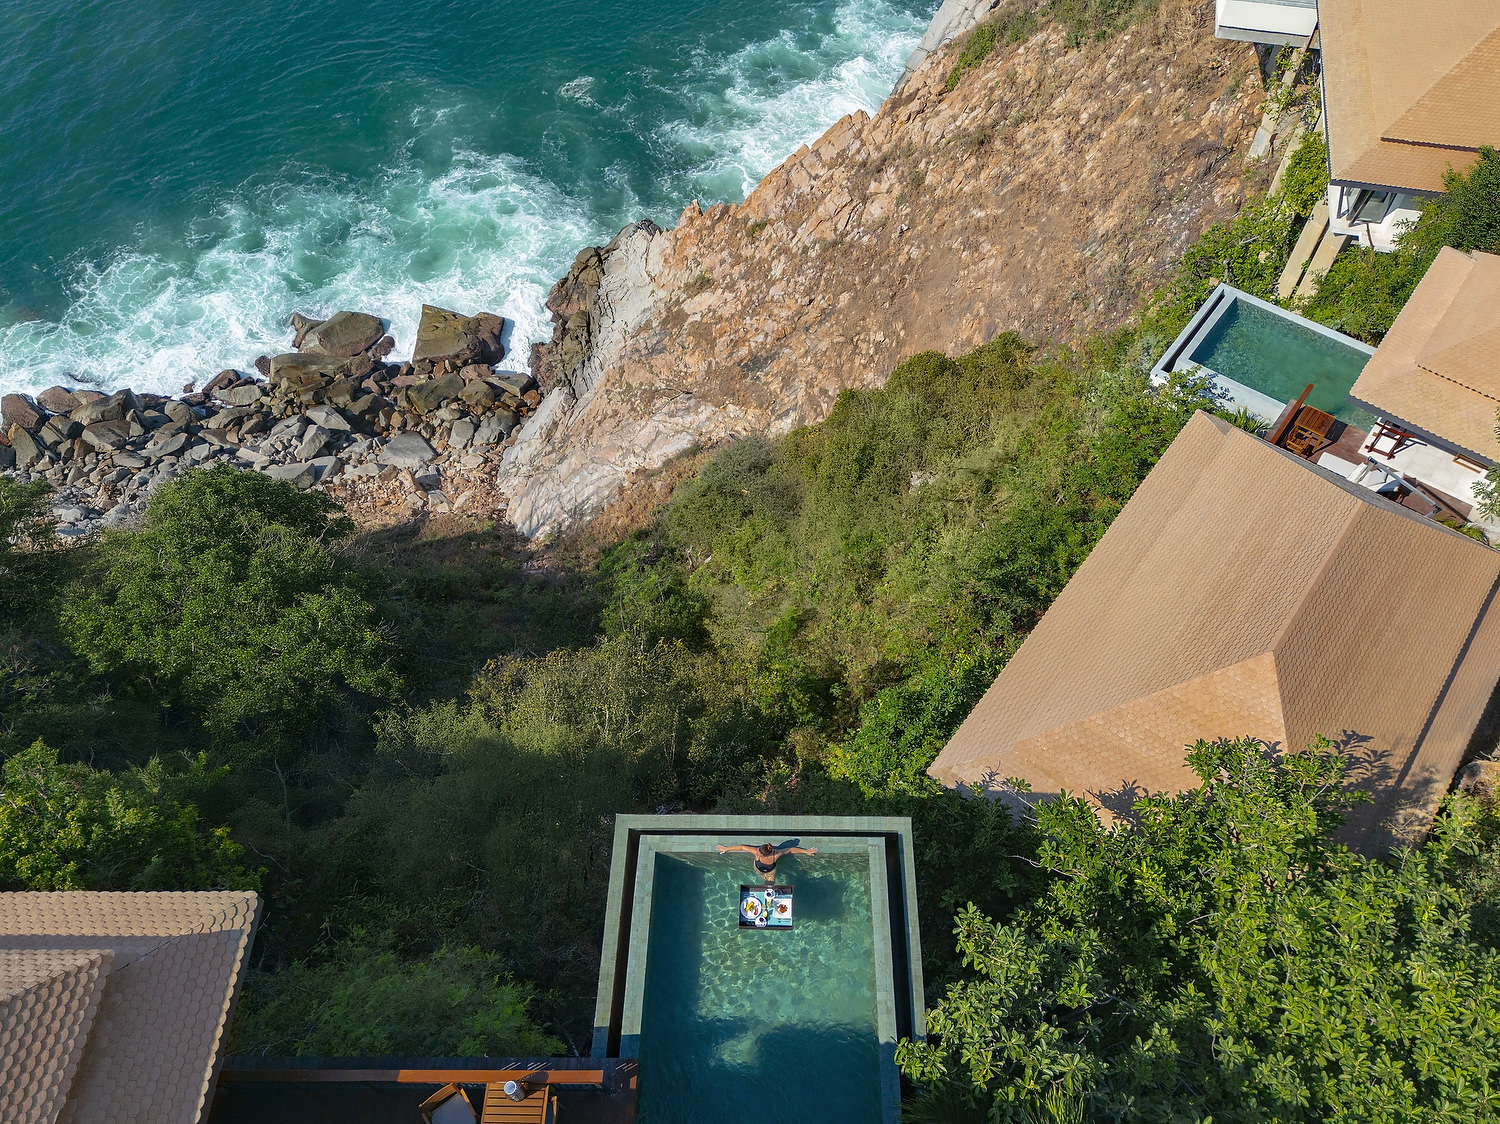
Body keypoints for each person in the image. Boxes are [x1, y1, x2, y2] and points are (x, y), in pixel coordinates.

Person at [717, 841, 818, 884]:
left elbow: (791, 849)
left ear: (767, 854)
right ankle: (763, 877)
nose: (757, 852)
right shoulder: (756, 852)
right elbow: (742, 847)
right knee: (761, 876)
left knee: (769, 885)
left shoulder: (776, 854)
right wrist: (726, 849)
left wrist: (806, 851)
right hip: (758, 868)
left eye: (760, 853)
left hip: (771, 872)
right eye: (758, 851)